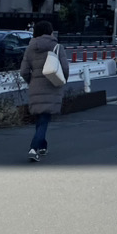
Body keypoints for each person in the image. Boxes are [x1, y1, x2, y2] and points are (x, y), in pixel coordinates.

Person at [19, 20, 70, 162]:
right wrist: (61, 80)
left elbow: (23, 71)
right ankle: (33, 148)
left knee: (41, 117)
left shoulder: (30, 48)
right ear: (50, 31)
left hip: (35, 85)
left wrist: (32, 81)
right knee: (44, 118)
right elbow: (65, 68)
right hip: (52, 86)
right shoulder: (57, 47)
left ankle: (42, 146)